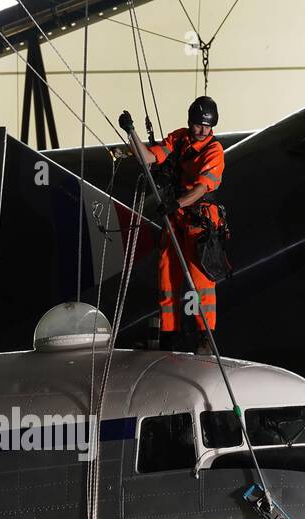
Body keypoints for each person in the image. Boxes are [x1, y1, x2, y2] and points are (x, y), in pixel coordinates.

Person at [120, 96, 224, 353]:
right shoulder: (179, 139)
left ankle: (205, 339)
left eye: (206, 127)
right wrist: (131, 131)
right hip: (176, 218)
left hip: (199, 219)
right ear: (190, 122)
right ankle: (168, 337)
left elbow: (201, 188)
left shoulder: (214, 151)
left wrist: (177, 203)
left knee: (201, 282)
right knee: (167, 276)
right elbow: (149, 158)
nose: (202, 131)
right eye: (198, 125)